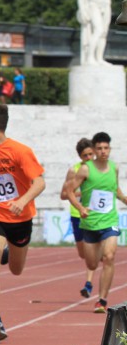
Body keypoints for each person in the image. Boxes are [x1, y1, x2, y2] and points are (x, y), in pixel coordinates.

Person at [0, 101, 46, 340]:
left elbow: (40, 183)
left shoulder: (20, 151)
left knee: (16, 269)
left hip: (20, 217)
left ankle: (7, 251)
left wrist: (22, 201)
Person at [60, 132, 126, 314]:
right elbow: (69, 191)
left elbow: (116, 190)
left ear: (110, 149)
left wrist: (124, 199)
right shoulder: (85, 169)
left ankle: (102, 300)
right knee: (91, 264)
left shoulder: (114, 168)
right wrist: (80, 208)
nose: (103, 151)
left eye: (106, 148)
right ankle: (94, 276)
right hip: (90, 223)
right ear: (95, 150)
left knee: (110, 256)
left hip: (110, 220)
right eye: (99, 148)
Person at [60, 138, 97, 297]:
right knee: (83, 254)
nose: (88, 158)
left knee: (90, 251)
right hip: (77, 215)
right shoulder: (74, 171)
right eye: (85, 156)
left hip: (94, 216)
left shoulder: (100, 170)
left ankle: (88, 284)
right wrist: (83, 193)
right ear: (80, 156)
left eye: (90, 154)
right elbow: (63, 195)